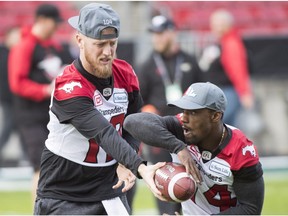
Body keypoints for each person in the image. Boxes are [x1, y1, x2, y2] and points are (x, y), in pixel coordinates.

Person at [33, 3, 179, 215]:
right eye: (99, 44)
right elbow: (104, 133)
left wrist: (125, 163)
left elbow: (132, 125)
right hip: (64, 189)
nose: (108, 52)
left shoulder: (125, 73)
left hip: (108, 186)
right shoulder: (68, 84)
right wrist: (140, 167)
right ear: (80, 40)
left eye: (112, 43)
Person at [124, 82, 264, 215]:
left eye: (193, 112)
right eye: (184, 110)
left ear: (215, 116)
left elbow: (250, 210)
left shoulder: (240, 150)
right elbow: (132, 122)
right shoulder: (181, 129)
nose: (184, 118)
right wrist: (178, 147)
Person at [136, 15, 203, 215]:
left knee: (195, 184)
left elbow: (202, 93)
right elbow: (139, 101)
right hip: (161, 135)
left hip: (189, 132)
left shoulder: (190, 61)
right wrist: (147, 111)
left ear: (172, 32)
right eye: (154, 34)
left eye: (161, 33)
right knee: (165, 184)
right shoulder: (147, 65)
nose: (156, 38)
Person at [8, 4, 72, 201]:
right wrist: (45, 90)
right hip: (31, 117)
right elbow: (17, 83)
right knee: (42, 165)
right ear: (43, 20)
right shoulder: (25, 46)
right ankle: (40, 209)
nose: (56, 28)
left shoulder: (55, 46)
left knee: (61, 164)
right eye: (54, 23)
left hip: (55, 116)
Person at [198, 9, 254, 126]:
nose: (213, 27)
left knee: (218, 127)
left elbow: (237, 70)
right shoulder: (225, 42)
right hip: (225, 93)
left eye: (217, 24)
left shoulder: (231, 43)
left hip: (227, 93)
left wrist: (245, 92)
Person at [0, 26, 21, 164]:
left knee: (19, 126)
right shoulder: (3, 53)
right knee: (10, 126)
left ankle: (28, 155)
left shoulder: (16, 52)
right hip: (7, 97)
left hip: (17, 97)